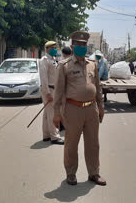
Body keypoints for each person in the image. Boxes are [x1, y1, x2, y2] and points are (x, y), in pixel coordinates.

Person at [53, 31, 106, 186]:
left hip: (91, 110)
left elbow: (98, 87)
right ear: (72, 46)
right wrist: (56, 114)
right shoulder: (64, 66)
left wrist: (101, 107)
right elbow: (58, 92)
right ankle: (71, 173)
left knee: (93, 143)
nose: (82, 47)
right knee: (71, 143)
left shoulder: (92, 65)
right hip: (72, 109)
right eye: (79, 44)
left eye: (84, 44)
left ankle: (94, 173)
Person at [39, 41, 64, 145]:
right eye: (53, 47)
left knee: (47, 114)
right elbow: (43, 78)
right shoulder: (44, 60)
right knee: (52, 113)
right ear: (47, 49)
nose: (55, 49)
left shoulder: (53, 59)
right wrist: (47, 93)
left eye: (55, 47)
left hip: (53, 89)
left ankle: (46, 135)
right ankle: (54, 137)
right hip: (49, 89)